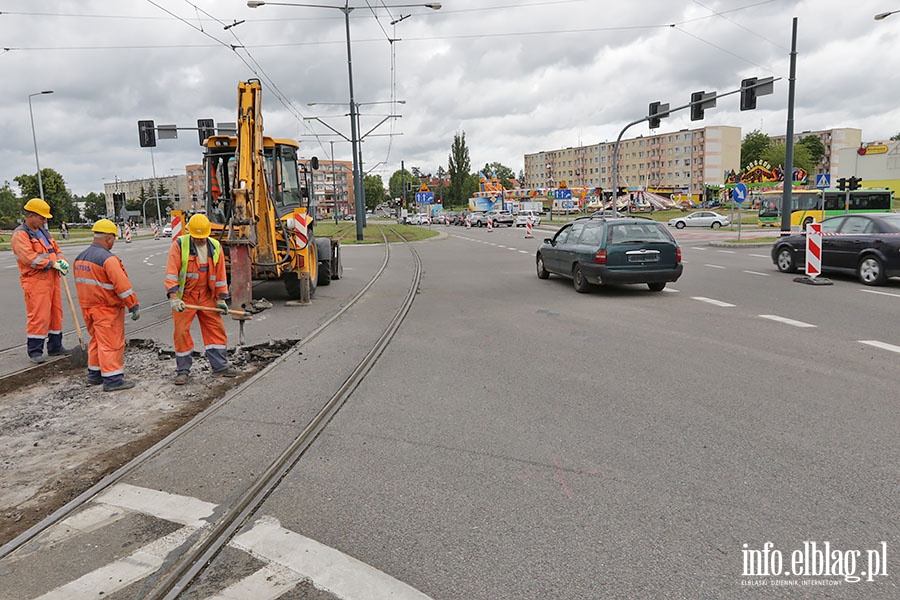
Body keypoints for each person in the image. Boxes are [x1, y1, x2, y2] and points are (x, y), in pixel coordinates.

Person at [164, 213, 239, 385]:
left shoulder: (215, 246)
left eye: (203, 237)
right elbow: (171, 273)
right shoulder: (179, 246)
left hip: (207, 296)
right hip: (186, 298)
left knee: (215, 330)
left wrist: (221, 299)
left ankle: (220, 368)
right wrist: (174, 298)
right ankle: (183, 371)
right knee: (181, 333)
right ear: (190, 233)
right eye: (197, 238)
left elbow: (220, 276)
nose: (200, 240)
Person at [73, 219, 140, 392]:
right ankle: (113, 380)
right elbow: (122, 286)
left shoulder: (80, 258)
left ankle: (94, 375)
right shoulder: (108, 259)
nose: (113, 242)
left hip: (87, 307)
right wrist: (133, 305)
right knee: (111, 343)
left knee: (96, 340)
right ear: (109, 238)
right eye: (114, 239)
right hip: (106, 309)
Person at [11, 198, 70, 364]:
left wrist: (62, 261)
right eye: (42, 218)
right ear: (31, 216)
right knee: (39, 316)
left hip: (52, 278)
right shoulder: (21, 235)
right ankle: (35, 351)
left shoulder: (44, 232)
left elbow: (56, 250)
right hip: (35, 281)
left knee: (56, 314)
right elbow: (29, 258)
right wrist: (52, 263)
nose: (45, 221)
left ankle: (55, 346)